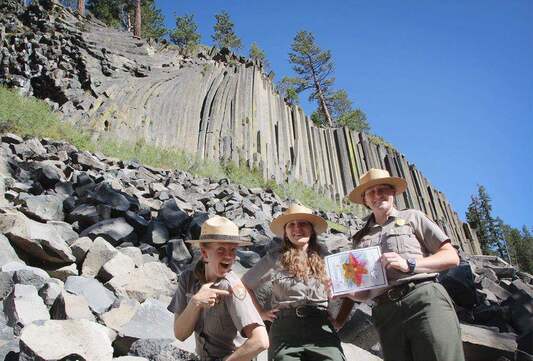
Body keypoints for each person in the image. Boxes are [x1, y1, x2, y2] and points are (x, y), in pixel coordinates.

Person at [334, 168, 464, 361]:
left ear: (393, 192)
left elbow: (451, 257)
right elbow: (362, 293)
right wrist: (345, 290)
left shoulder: (413, 217)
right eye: (371, 192)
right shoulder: (359, 240)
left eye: (383, 189)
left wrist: (410, 264)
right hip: (385, 313)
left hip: (423, 299)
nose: (378, 195)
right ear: (365, 200)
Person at [242, 204, 346, 361]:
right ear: (285, 231)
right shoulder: (274, 258)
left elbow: (352, 287)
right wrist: (261, 313)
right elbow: (244, 285)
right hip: (285, 330)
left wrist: (340, 319)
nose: (297, 228)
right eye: (291, 224)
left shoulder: (328, 258)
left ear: (311, 229)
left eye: (303, 223)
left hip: (321, 327)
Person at [169, 215, 269, 361]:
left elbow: (260, 341)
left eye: (233, 250)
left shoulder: (231, 287)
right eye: (221, 250)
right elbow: (180, 334)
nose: (229, 257)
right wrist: (195, 303)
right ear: (204, 253)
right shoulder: (188, 279)